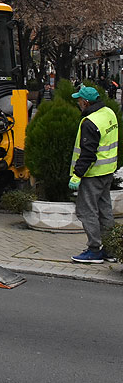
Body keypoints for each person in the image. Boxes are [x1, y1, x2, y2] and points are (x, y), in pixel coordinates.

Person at [68, 85, 118, 264]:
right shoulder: (109, 113)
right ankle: (111, 249)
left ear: (86, 102)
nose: (78, 103)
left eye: (79, 100)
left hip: (92, 174)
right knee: (105, 211)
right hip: (107, 172)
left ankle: (94, 250)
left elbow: (88, 153)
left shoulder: (90, 122)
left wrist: (77, 175)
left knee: (86, 211)